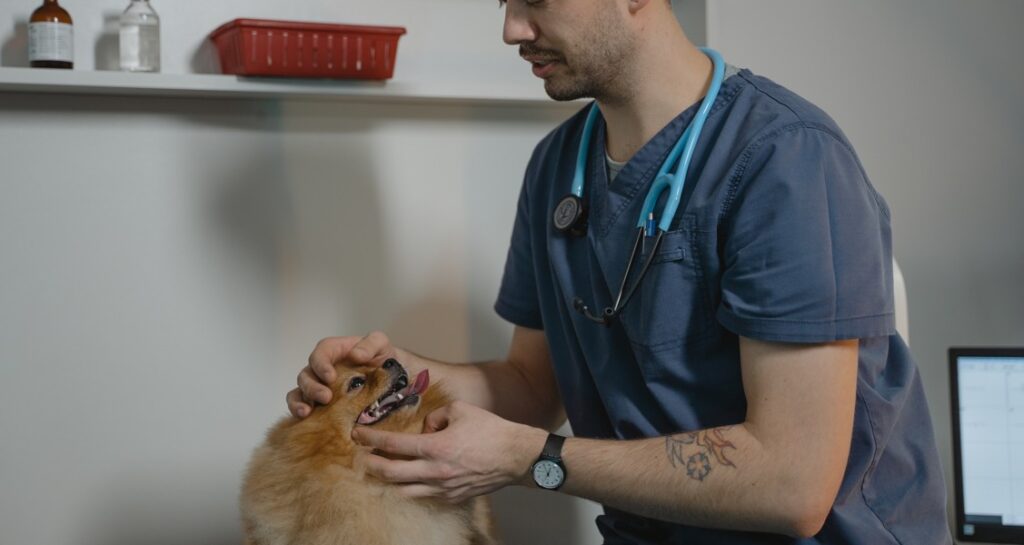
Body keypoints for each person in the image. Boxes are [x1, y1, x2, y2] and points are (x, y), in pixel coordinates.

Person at [287, 0, 952, 543]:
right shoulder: (557, 167)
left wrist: (532, 460)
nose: (511, 28)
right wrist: (393, 375)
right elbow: (527, 386)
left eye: (535, 1)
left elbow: (794, 485)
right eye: (504, 2)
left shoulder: (787, 162)